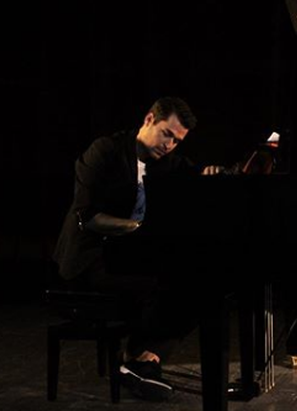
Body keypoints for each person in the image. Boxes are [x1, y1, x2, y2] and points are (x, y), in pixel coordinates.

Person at [52, 96, 211, 401]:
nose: (169, 145)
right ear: (149, 119)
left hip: (126, 259)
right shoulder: (105, 151)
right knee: (161, 287)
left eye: (177, 141)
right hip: (87, 261)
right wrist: (139, 228)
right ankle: (136, 360)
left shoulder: (166, 163)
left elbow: (199, 174)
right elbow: (88, 216)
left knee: (201, 288)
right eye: (167, 134)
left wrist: (214, 173)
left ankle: (141, 361)